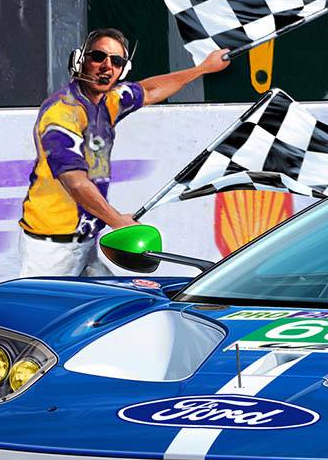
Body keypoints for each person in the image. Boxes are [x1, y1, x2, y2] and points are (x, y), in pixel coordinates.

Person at [17, 29, 230, 278]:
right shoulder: (62, 113)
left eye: (116, 61)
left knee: (111, 298)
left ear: (123, 70)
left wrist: (203, 69)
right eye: (99, 56)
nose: (107, 67)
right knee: (48, 304)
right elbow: (74, 182)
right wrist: (117, 221)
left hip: (84, 242)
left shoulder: (109, 101)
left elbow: (149, 90)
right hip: (51, 248)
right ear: (80, 59)